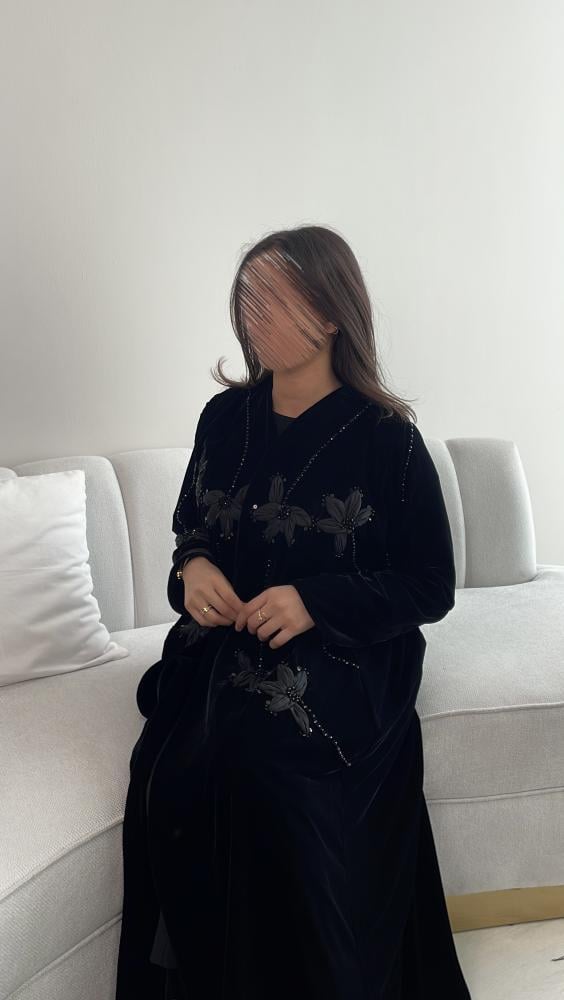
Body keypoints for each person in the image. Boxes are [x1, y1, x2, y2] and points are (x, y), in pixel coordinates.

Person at [115, 224, 472, 999]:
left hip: (343, 653)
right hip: (224, 647)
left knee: (272, 770)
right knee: (169, 772)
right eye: (247, 300)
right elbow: (192, 528)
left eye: (274, 299)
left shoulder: (388, 441)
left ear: (331, 312)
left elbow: (430, 584)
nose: (255, 317)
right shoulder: (224, 419)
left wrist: (314, 601)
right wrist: (195, 567)